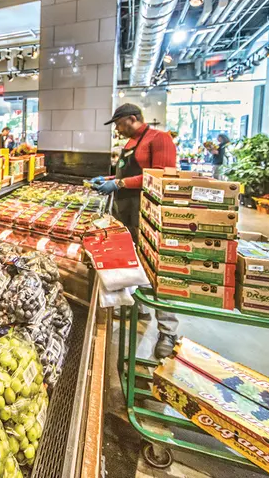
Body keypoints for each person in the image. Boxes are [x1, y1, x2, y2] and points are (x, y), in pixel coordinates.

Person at [90, 103, 179, 359]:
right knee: (132, 262)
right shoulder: (130, 143)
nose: (117, 129)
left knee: (155, 269)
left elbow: (160, 177)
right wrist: (108, 180)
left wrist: (118, 182)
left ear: (132, 119)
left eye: (119, 124)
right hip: (125, 212)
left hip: (147, 216)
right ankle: (138, 307)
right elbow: (128, 175)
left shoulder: (158, 139)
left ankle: (168, 330)